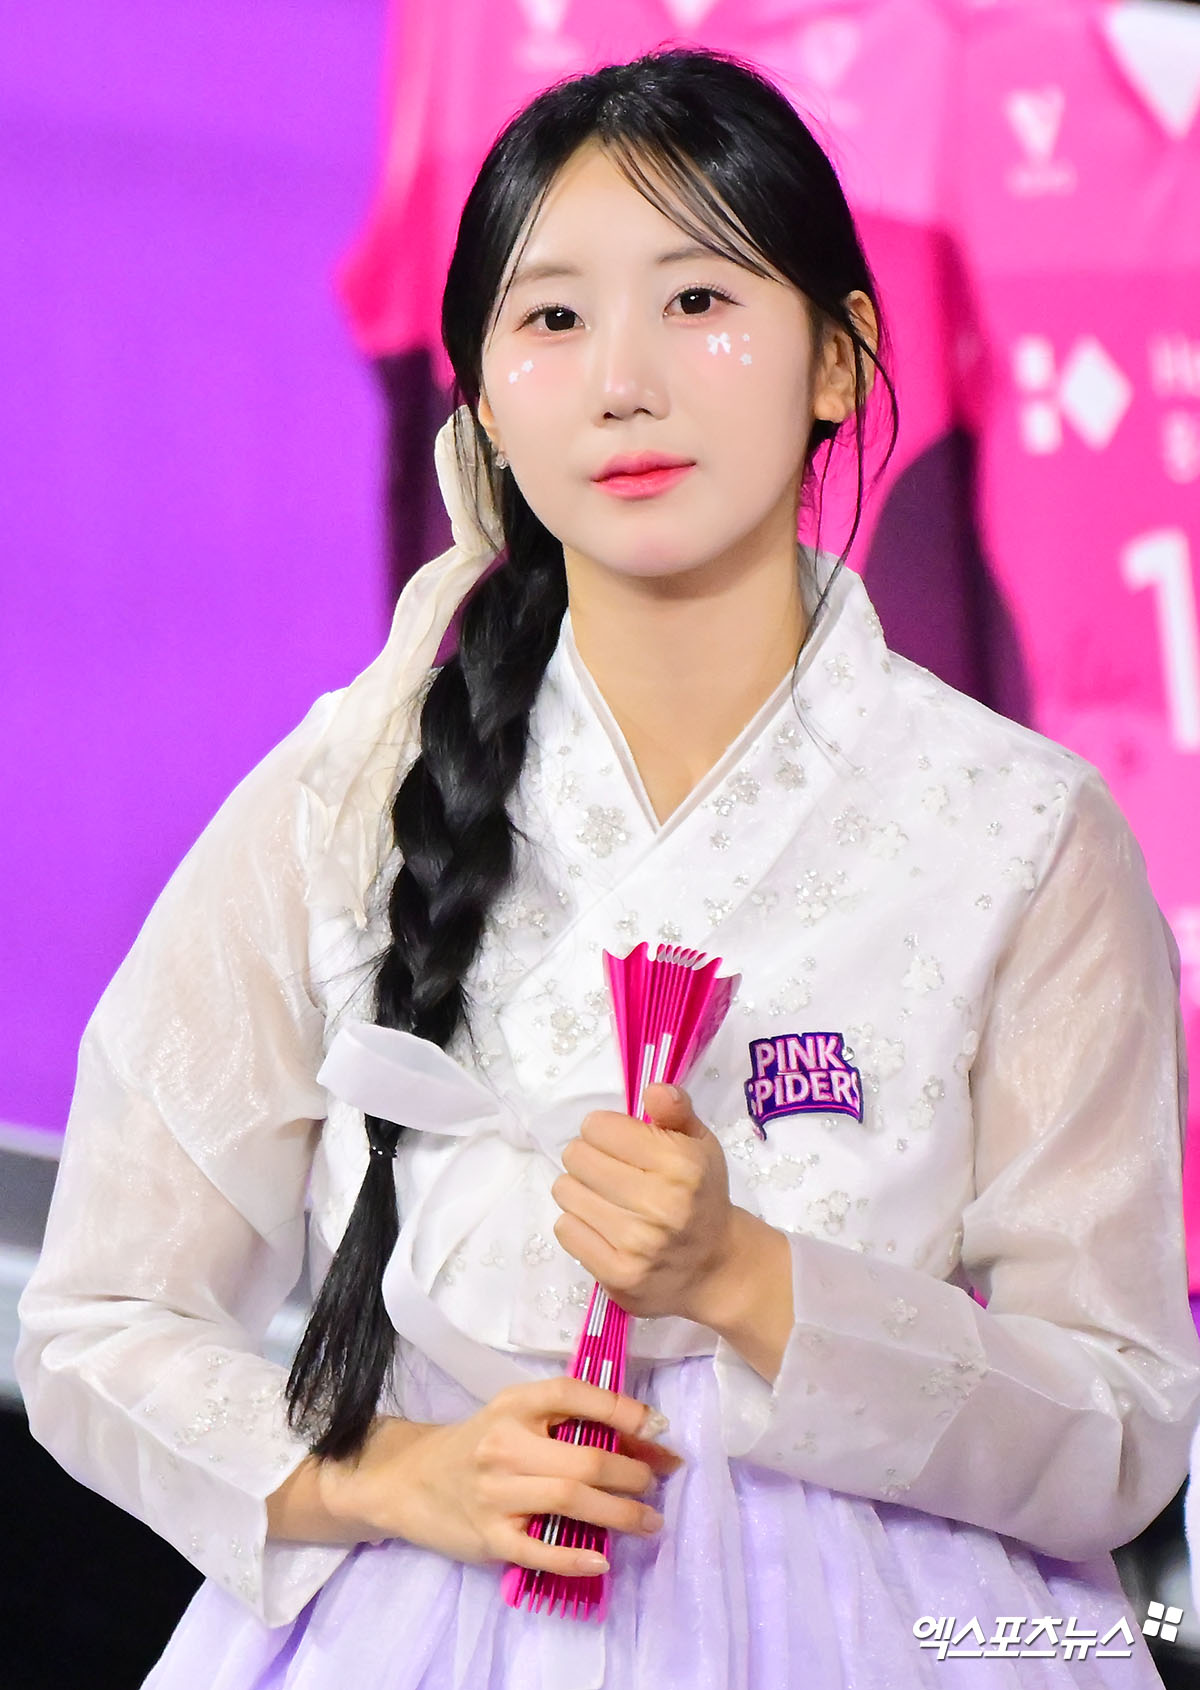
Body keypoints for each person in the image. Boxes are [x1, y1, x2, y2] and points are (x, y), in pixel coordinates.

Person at [16, 47, 1200, 1690]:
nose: (623, 382)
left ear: (839, 356)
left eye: (699, 299)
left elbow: (1124, 1426)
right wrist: (396, 1474)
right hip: (427, 1624)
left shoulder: (1023, 828)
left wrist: (750, 1280)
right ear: (488, 403)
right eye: (554, 318)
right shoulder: (343, 794)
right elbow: (95, 1318)